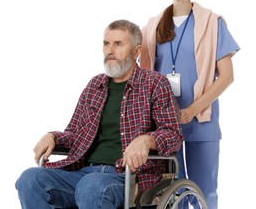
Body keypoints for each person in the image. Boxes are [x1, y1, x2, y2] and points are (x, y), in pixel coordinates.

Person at [15, 19, 183, 209]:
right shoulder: (95, 86)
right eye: (106, 44)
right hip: (83, 171)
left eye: (118, 44)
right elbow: (75, 134)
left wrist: (147, 140)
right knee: (29, 180)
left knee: (91, 186)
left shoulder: (155, 84)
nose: (110, 50)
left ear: (136, 51)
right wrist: (52, 136)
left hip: (127, 176)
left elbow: (173, 134)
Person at [139, 0, 240, 209]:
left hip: (200, 119)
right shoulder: (153, 26)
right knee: (171, 192)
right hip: (164, 122)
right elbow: (144, 74)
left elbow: (226, 76)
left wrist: (193, 109)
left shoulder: (212, 22)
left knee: (205, 192)